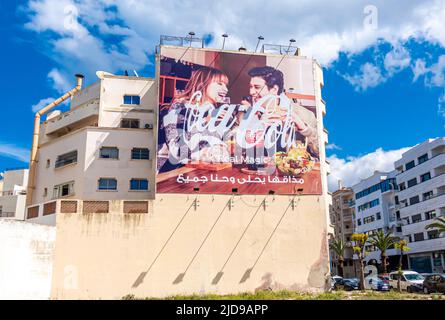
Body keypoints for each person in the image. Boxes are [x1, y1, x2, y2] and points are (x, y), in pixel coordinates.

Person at [157, 66, 231, 173]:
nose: (226, 89)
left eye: (226, 85)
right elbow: (177, 151)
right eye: (220, 83)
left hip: (198, 172)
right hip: (171, 173)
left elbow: (215, 147)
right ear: (202, 84)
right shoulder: (178, 108)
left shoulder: (211, 111)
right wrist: (204, 122)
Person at [243, 66, 319, 158]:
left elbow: (320, 153)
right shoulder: (248, 114)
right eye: (250, 87)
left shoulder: (304, 115)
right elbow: (237, 149)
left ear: (274, 90)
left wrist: (304, 128)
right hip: (257, 170)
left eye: (257, 87)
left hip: (289, 171)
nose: (251, 92)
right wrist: (259, 127)